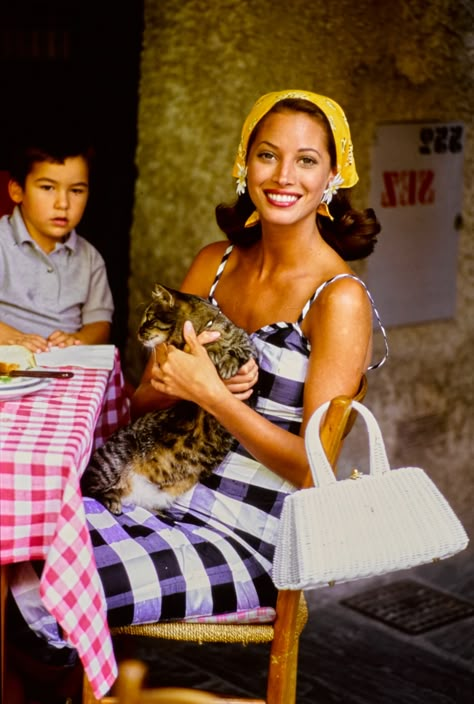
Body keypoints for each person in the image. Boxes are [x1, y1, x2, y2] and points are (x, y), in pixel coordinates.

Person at [7, 90, 388, 702]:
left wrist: (213, 395)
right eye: (267, 155)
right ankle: (107, 685)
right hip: (158, 489)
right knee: (16, 552)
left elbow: (313, 473)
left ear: (334, 178)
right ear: (244, 164)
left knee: (42, 590)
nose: (284, 176)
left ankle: (110, 688)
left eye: (306, 161)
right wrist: (165, 385)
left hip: (246, 535)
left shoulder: (338, 298)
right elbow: (141, 406)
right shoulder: (214, 264)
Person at [0, 129, 114, 352]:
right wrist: (9, 336)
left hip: (64, 367)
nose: (63, 203)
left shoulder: (90, 258)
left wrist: (77, 340)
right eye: (48, 188)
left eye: (76, 191)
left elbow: (100, 325)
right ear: (17, 190)